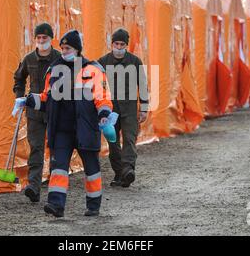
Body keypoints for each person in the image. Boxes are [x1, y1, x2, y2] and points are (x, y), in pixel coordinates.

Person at [15, 30, 114, 217]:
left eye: (67, 48)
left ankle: (93, 205)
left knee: (91, 168)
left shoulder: (93, 69)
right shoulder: (53, 69)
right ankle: (56, 205)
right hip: (61, 128)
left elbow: (102, 97)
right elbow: (46, 98)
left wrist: (104, 113)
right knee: (58, 167)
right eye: (62, 48)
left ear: (77, 49)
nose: (63, 51)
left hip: (86, 127)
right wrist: (27, 100)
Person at [13, 23, 61, 203]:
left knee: (56, 147)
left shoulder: (59, 58)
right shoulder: (29, 59)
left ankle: (57, 184)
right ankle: (34, 186)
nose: (41, 41)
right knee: (36, 148)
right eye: (39, 38)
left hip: (55, 109)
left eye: (45, 38)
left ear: (51, 39)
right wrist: (19, 97)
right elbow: (19, 78)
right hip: (34, 111)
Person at [98, 28, 149, 188]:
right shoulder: (102, 62)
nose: (119, 47)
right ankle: (119, 174)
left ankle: (128, 170)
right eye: (116, 44)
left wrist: (144, 108)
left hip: (130, 109)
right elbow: (97, 87)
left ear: (126, 45)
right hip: (110, 110)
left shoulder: (135, 61)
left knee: (129, 139)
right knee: (113, 143)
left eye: (122, 44)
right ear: (111, 44)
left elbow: (143, 84)